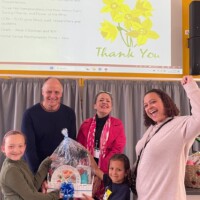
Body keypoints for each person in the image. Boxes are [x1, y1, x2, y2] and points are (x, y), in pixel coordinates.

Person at [135, 75, 200, 200]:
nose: (149, 107)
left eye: (153, 102)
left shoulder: (181, 124)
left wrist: (191, 87)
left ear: (165, 102)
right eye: (146, 105)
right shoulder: (151, 130)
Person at [21, 77, 76, 174]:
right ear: (42, 92)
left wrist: (66, 171)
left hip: (61, 172)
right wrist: (39, 176)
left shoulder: (69, 113)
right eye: (49, 92)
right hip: (35, 170)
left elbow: (71, 145)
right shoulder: (30, 114)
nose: (53, 95)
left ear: (61, 94)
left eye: (57, 92)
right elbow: (29, 149)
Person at [77, 91, 126, 199]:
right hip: (86, 171)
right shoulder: (85, 125)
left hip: (107, 171)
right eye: (101, 100)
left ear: (111, 107)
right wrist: (90, 166)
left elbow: (117, 149)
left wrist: (99, 171)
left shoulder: (118, 124)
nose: (105, 102)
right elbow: (79, 148)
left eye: (108, 101)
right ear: (95, 105)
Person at [0, 130, 60, 200]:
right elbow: (31, 197)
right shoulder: (11, 170)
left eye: (20, 146)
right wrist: (56, 195)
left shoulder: (20, 162)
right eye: (11, 146)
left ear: (24, 147)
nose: (16, 150)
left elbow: (33, 185)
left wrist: (46, 163)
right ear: (3, 148)